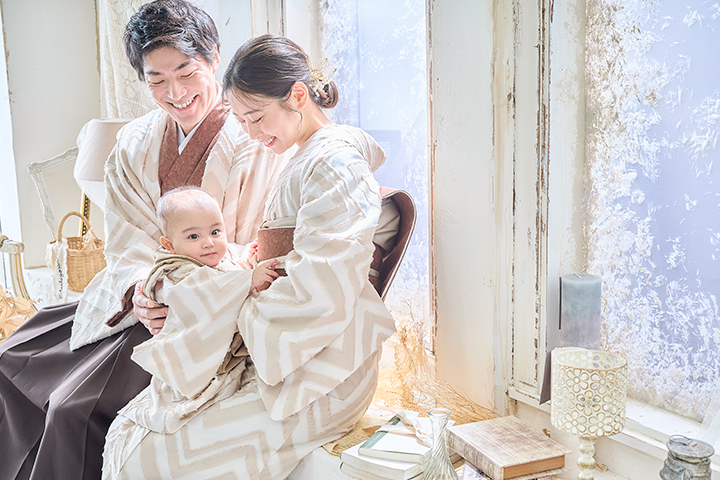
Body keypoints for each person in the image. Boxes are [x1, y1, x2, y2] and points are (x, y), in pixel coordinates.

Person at [0, 2, 288, 479]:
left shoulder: (253, 140)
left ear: (213, 57)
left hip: (203, 310)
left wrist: (179, 287)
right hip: (139, 301)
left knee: (73, 409)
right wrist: (143, 289)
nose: (175, 93)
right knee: (13, 359)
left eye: (185, 72)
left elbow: (249, 246)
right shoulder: (134, 143)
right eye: (156, 80)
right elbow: (128, 242)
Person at [101, 33, 399, 480]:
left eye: (257, 118)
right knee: (130, 429)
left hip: (324, 366)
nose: (254, 134)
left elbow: (323, 288)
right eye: (242, 122)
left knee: (148, 460)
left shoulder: (336, 163)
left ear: (298, 95)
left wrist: (230, 305)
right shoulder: (305, 156)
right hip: (284, 350)